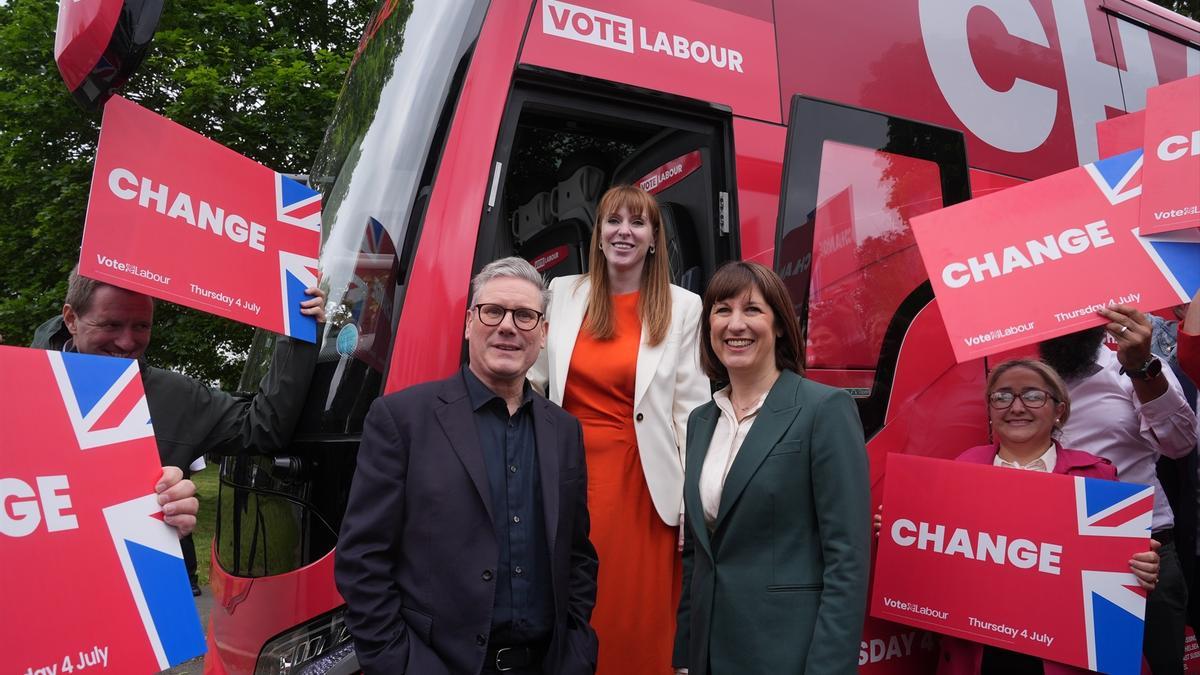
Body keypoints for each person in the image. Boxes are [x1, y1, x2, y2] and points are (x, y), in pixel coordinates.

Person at [335, 257, 598, 675]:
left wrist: (577, 652)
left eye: (526, 315)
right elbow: (361, 561)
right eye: (492, 311)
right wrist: (403, 665)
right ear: (469, 323)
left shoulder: (565, 431)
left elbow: (578, 556)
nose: (508, 326)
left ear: (543, 333)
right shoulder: (401, 420)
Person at [31, 266, 326, 593]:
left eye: (141, 326)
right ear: (71, 319)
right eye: (111, 324)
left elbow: (264, 426)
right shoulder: (21, 391)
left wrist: (298, 334)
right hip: (40, 600)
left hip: (146, 605)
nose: (127, 341)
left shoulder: (179, 396)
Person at [529, 185, 709, 674]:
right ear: (600, 235)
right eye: (613, 221)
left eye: (637, 223)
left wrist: (689, 504)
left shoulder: (683, 306)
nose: (624, 231)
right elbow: (530, 378)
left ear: (654, 238)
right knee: (567, 608)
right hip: (565, 475)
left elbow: (691, 412)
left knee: (635, 617)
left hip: (643, 485)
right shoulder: (561, 293)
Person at [672, 261, 870, 675]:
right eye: (722, 310)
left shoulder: (823, 410)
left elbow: (847, 560)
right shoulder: (700, 421)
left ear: (779, 324)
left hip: (788, 654)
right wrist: (686, 656)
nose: (735, 324)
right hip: (710, 654)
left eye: (752, 310)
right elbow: (698, 556)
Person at [919, 359, 1162, 674]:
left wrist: (1141, 567)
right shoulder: (960, 470)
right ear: (990, 410)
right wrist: (903, 530)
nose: (1016, 407)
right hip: (983, 652)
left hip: (1065, 657)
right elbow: (938, 558)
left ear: (1059, 409)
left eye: (1032, 396)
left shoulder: (1096, 477)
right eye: (1002, 397)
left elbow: (1117, 576)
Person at [1039, 305, 1198, 674]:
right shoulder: (1024, 384)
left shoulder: (1129, 369)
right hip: (1056, 552)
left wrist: (1143, 368)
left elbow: (1180, 444)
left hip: (1142, 552)